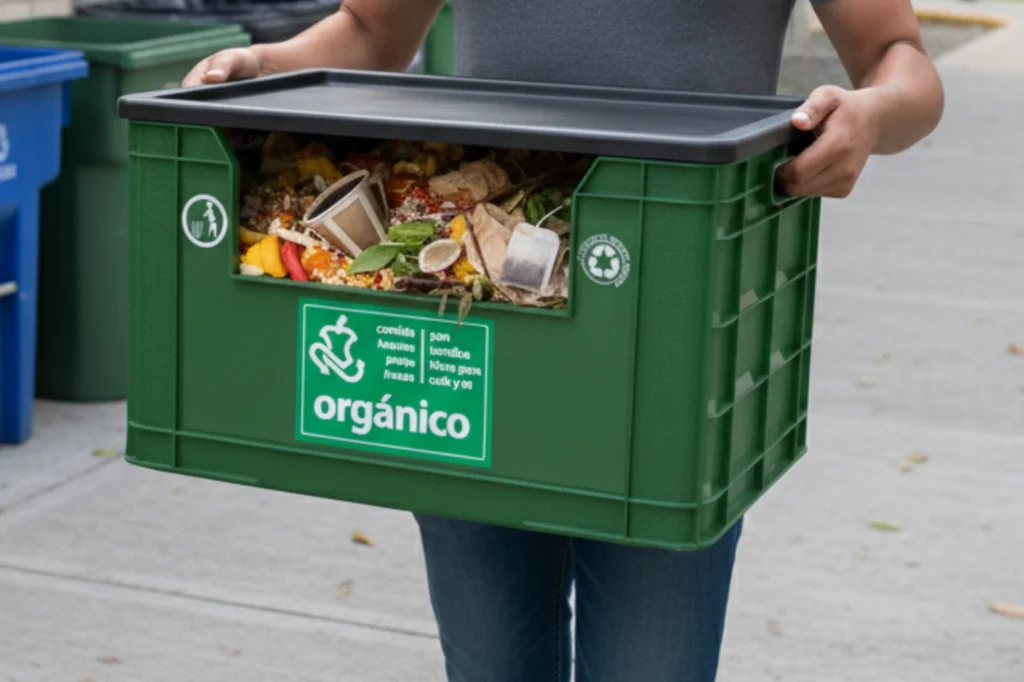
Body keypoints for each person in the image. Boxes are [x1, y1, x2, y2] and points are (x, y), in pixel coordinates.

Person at [183, 2, 943, 680]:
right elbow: (373, 29)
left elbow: (898, 57)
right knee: (490, 663)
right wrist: (265, 65)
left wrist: (869, 115)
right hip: (478, 311)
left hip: (675, 330)